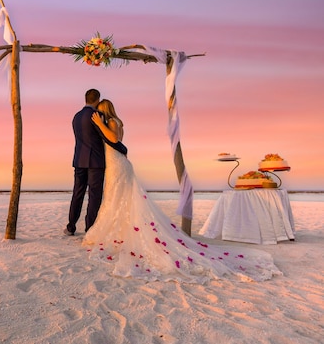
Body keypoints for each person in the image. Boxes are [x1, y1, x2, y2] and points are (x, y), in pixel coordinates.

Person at [82, 99, 281, 283]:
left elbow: (114, 140)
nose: (97, 116)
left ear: (104, 111)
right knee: (114, 199)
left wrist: (100, 125)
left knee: (119, 197)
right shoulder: (110, 121)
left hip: (118, 164)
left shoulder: (113, 123)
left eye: (99, 113)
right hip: (113, 163)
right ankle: (117, 232)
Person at [64, 89, 127, 236]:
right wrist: (123, 149)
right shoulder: (96, 115)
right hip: (95, 161)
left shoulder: (76, 116)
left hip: (79, 159)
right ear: (97, 99)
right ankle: (89, 228)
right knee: (94, 195)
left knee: (77, 193)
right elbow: (107, 137)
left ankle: (71, 226)